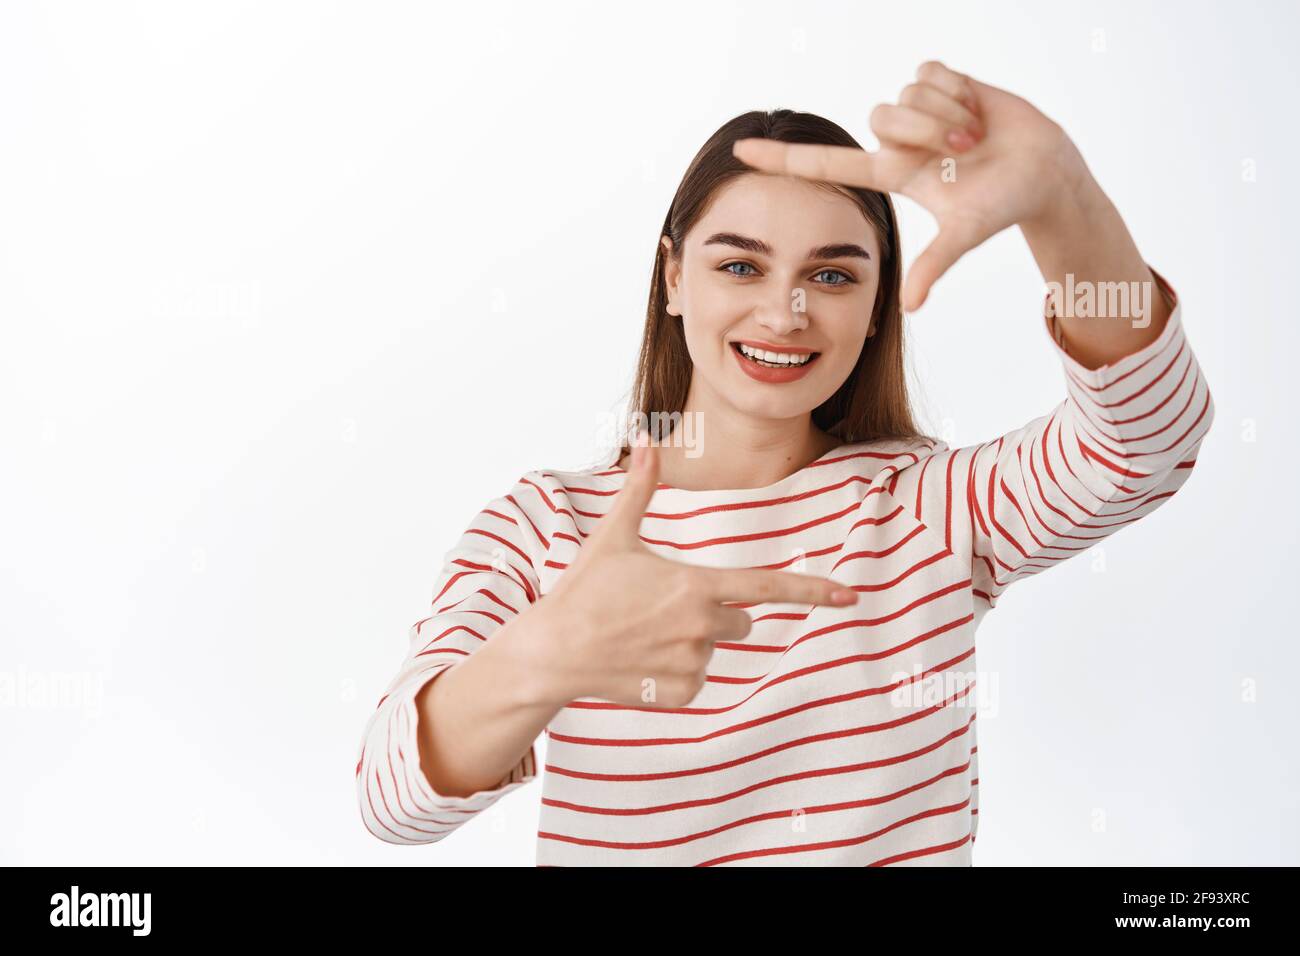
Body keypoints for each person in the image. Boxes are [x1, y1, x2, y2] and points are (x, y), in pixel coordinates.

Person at [356, 60, 1214, 865]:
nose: (786, 310)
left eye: (834, 277)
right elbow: (391, 801)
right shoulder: (545, 528)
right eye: (739, 265)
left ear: (878, 305)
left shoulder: (929, 507)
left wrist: (1062, 200)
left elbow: (1147, 440)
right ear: (674, 278)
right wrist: (547, 653)